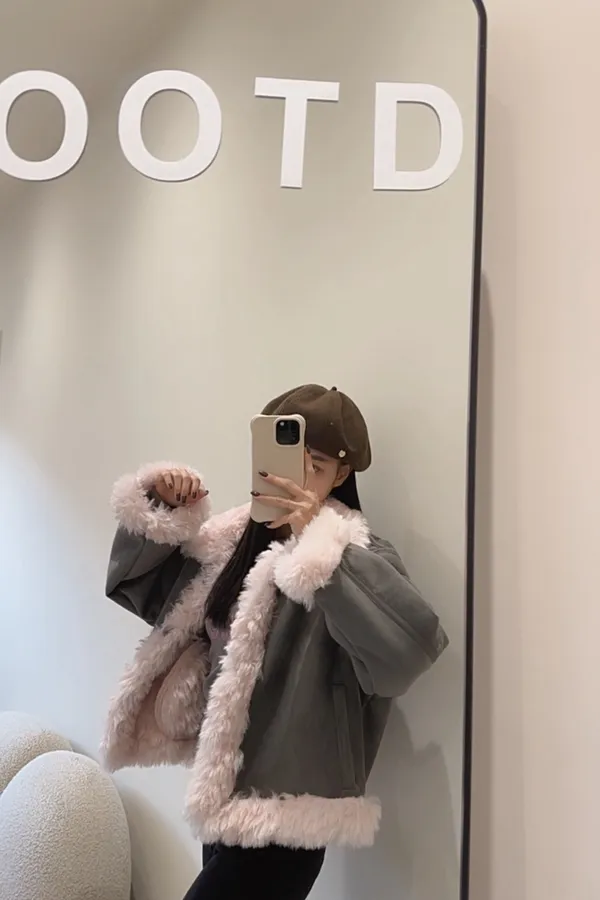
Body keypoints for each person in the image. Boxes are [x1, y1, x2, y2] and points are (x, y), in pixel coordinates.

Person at [100, 384, 448, 900]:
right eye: (285, 458)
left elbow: (406, 654)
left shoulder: (354, 556)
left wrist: (321, 555)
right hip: (223, 793)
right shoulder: (231, 543)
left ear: (341, 475)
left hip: (289, 816)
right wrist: (162, 506)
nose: (295, 476)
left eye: (316, 464)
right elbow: (149, 595)